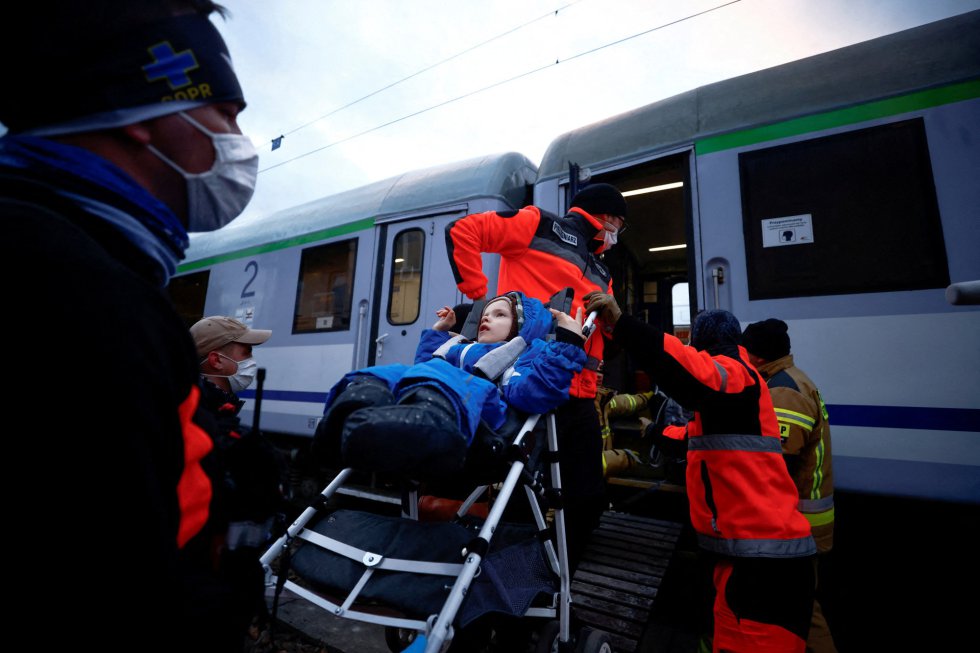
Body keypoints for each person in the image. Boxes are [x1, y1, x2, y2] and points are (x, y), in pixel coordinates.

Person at [1, 2, 257, 650]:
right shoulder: (83, 299)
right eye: (226, 113)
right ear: (150, 110)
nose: (238, 142)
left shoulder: (59, 256)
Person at [584, 292, 817, 653]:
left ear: (702, 346)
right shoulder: (743, 388)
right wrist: (656, 432)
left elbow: (693, 375)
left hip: (760, 567)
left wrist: (624, 325)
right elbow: (693, 436)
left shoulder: (735, 373)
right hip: (749, 554)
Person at [445, 182, 628, 569]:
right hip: (530, 382)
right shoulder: (537, 224)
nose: (616, 236)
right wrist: (477, 294)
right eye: (618, 224)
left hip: (579, 393)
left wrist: (615, 321)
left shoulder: (601, 269)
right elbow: (463, 232)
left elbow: (605, 334)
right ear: (606, 216)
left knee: (586, 498)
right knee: (518, 496)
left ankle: (556, 586)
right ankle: (503, 595)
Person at [313, 292, 586, 479]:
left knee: (453, 381)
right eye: (485, 315)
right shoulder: (462, 347)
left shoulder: (520, 356)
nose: (486, 319)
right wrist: (439, 333)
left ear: (521, 329)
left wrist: (567, 343)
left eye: (500, 314)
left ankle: (421, 419)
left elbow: (532, 394)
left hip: (481, 417)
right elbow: (424, 369)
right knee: (396, 373)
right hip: (437, 392)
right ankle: (353, 410)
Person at [742, 319, 837, 653]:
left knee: (800, 610)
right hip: (801, 521)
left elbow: (777, 464)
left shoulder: (783, 391)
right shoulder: (789, 379)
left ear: (757, 356)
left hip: (799, 524)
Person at [190, 316, 286, 637]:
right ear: (217, 360)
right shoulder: (207, 423)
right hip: (209, 587)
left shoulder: (211, 409)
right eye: (246, 352)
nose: (251, 362)